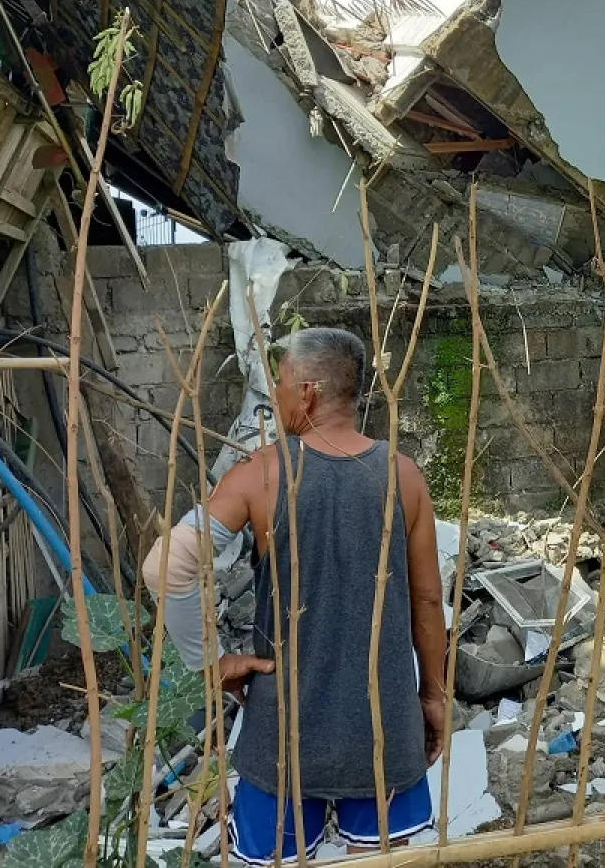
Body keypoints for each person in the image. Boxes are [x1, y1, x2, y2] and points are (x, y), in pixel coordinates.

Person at [141, 327, 447, 863]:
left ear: (306, 392)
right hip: (383, 728)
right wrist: (434, 697)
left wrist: (210, 662)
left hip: (284, 731)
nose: (276, 397)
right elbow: (426, 602)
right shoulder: (404, 477)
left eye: (280, 384)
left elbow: (166, 568)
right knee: (379, 859)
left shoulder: (259, 477)